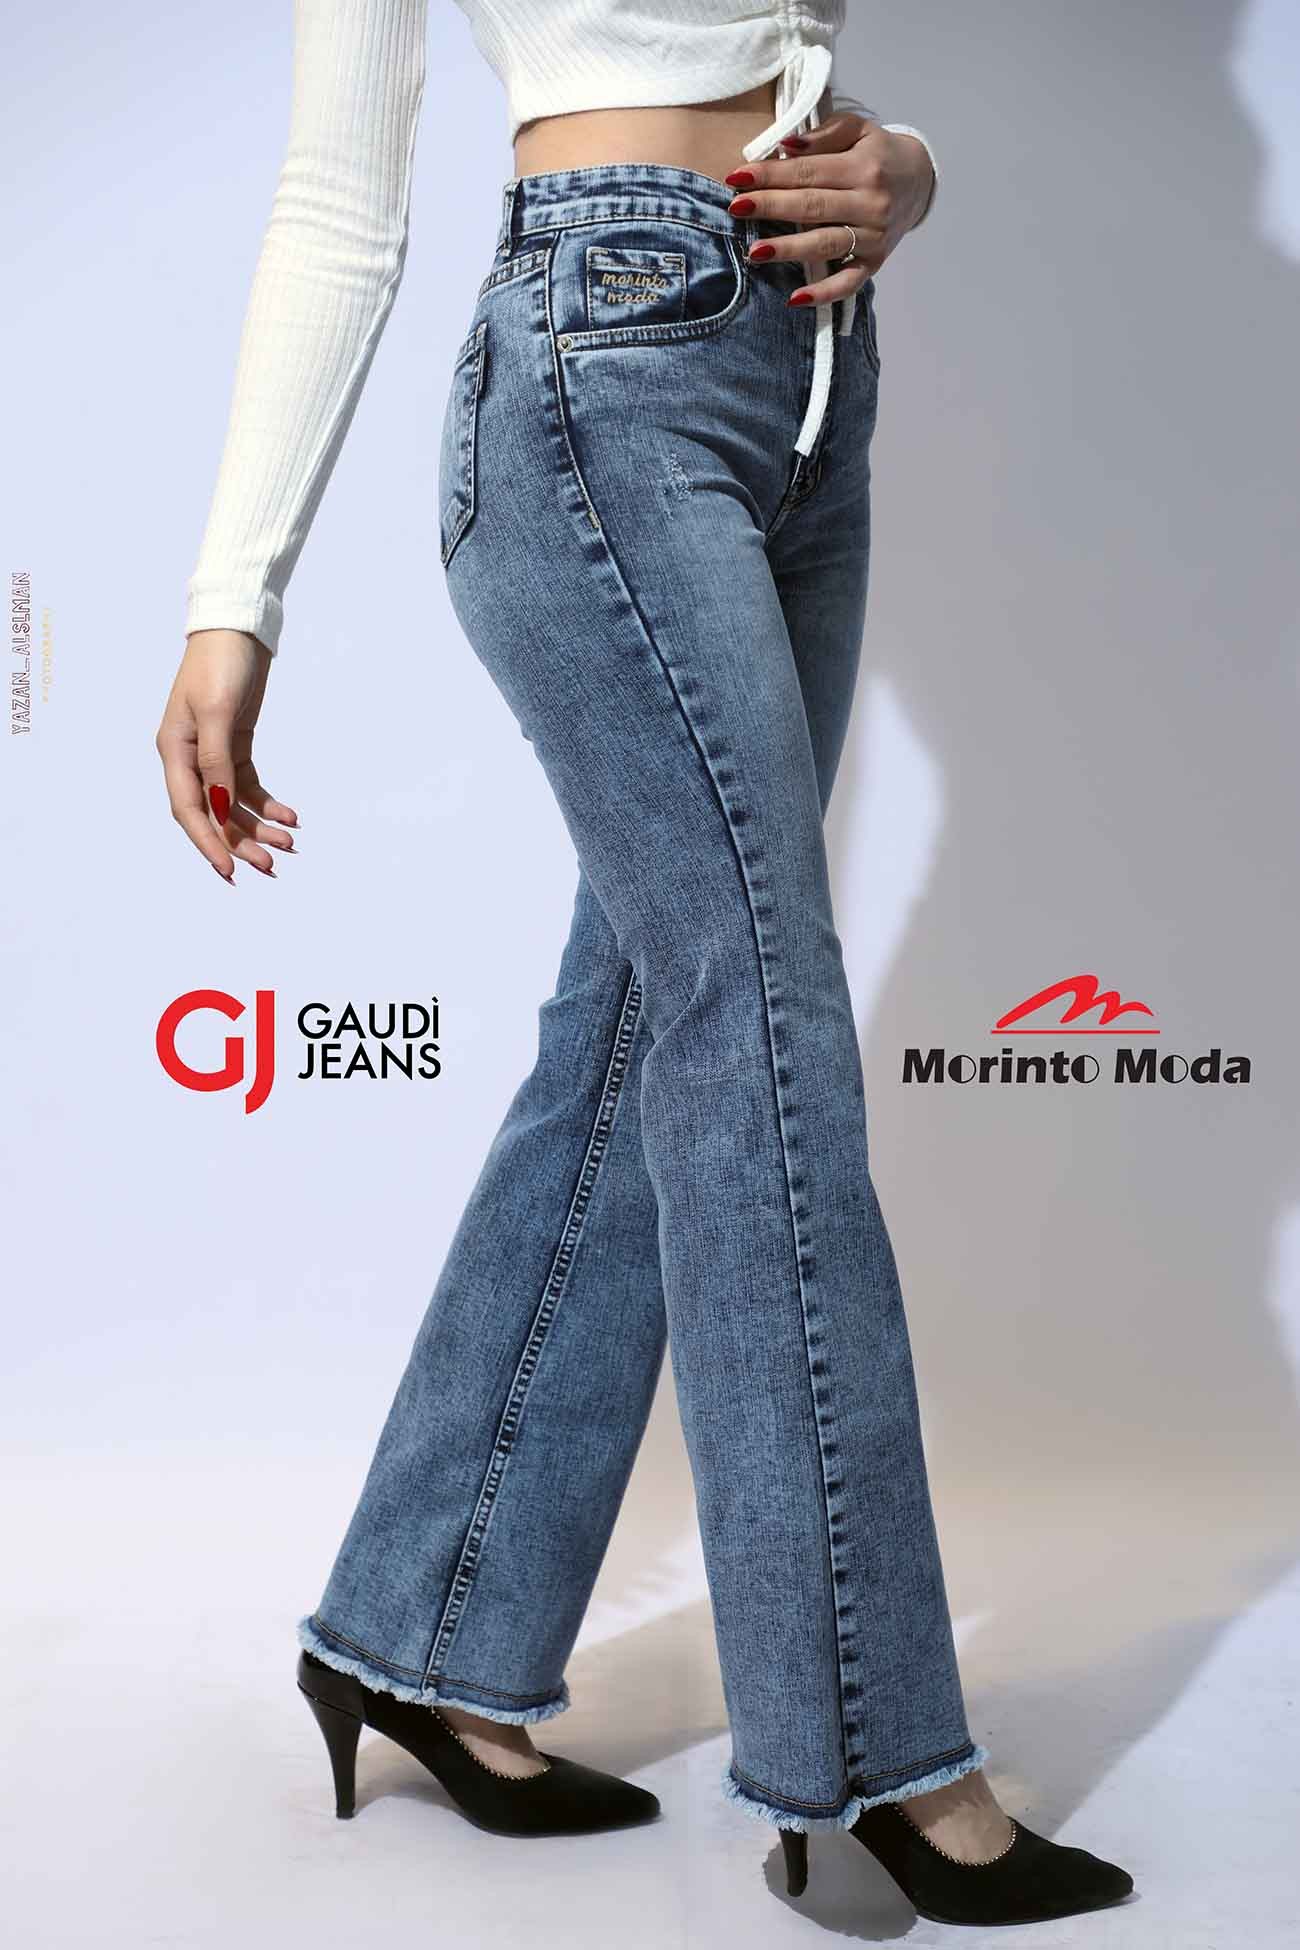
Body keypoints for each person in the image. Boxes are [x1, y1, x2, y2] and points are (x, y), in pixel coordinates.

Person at [156, 2, 1135, 1927]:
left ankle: (425, 1627)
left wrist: (909, 165)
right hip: (600, 370)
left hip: (816, 368)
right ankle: (873, 1756)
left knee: (639, 1028)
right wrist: (229, 600)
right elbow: (341, 193)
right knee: (754, 1030)